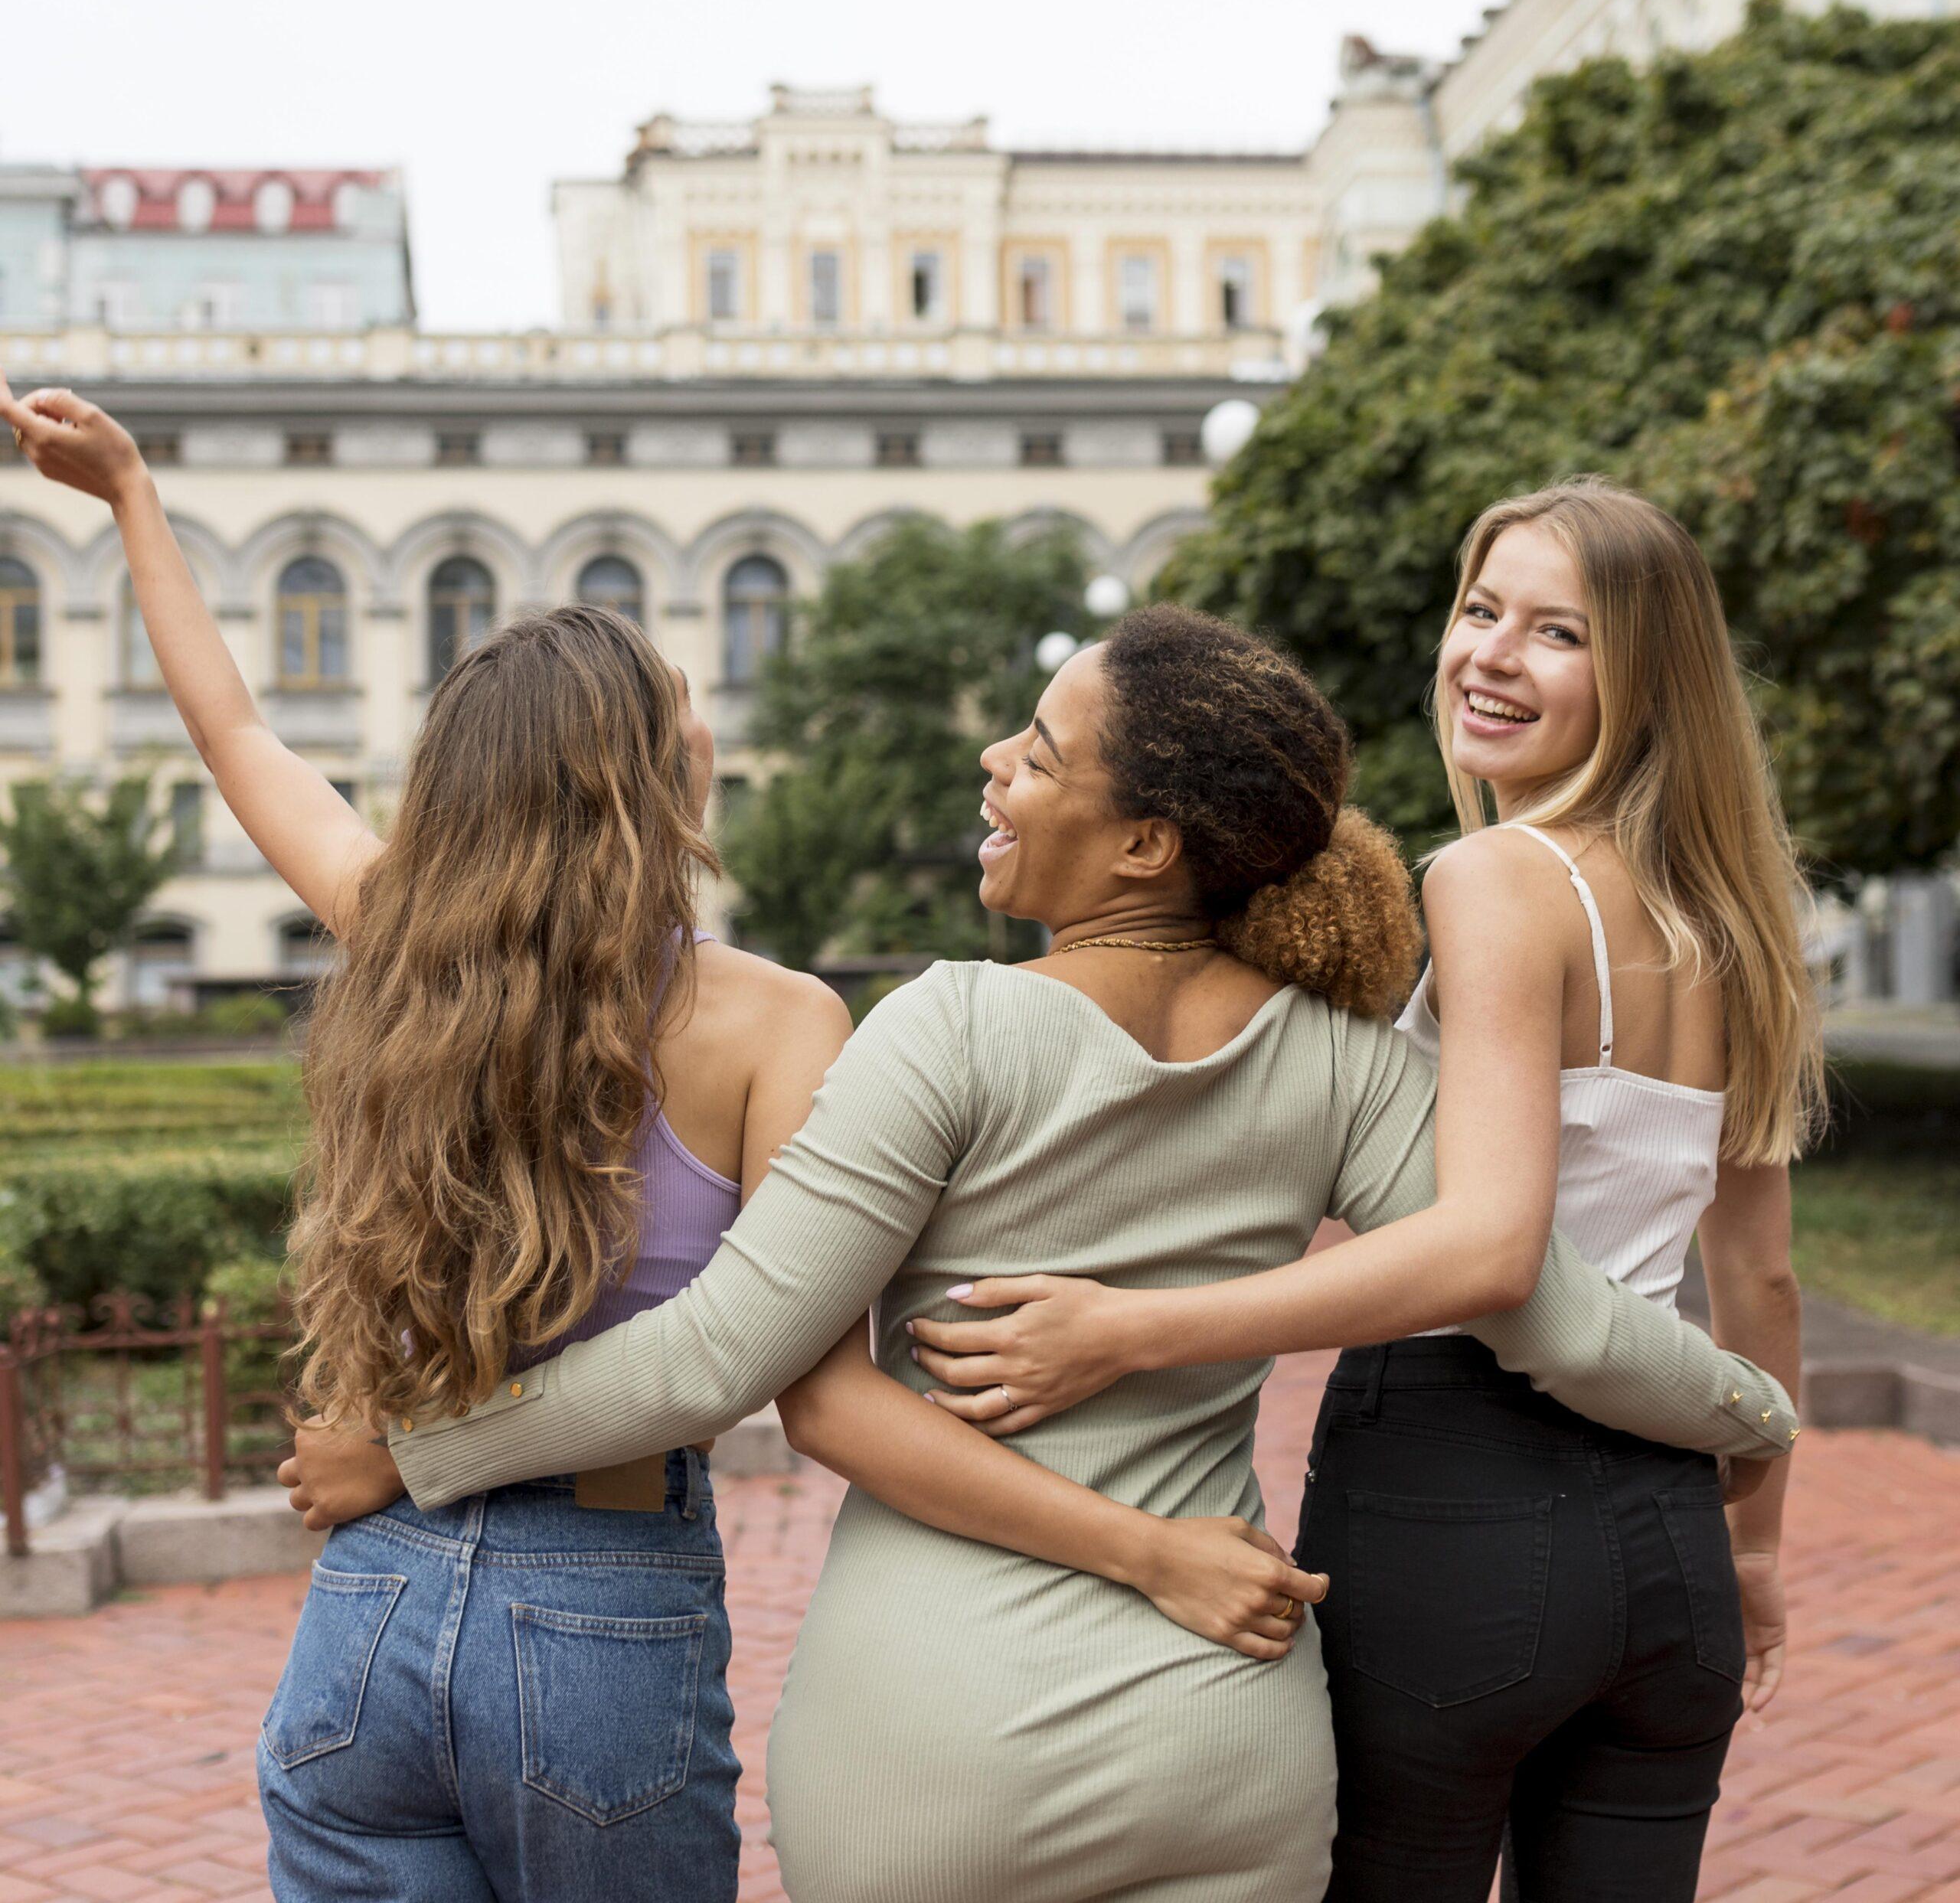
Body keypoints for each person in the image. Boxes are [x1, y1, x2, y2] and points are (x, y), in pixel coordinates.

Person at [0, 374, 1327, 1903]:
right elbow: (807, 1383)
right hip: (604, 1607)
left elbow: (231, 727)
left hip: (365, 1600)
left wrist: (134, 502)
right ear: (651, 776)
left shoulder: (396, 934)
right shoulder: (778, 1023)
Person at [272, 590, 1796, 1900]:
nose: (993, 763)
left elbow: (726, 1355)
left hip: (924, 1744)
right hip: (1223, 1717)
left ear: (1143, 843)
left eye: (1038, 752)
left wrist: (429, 1447)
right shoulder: (1338, 1063)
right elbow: (1550, 1306)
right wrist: (1747, 1412)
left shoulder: (943, 1024)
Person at [906, 481, 1820, 1901]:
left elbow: (1486, 1250)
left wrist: (1130, 1327)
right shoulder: (1739, 918)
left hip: (1463, 1502)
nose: (1492, 655)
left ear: (1647, 679)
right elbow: (1758, 1284)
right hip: (1674, 1538)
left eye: (1558, 632)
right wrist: (1753, 1545)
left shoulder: (1502, 879)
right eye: (1480, 610)